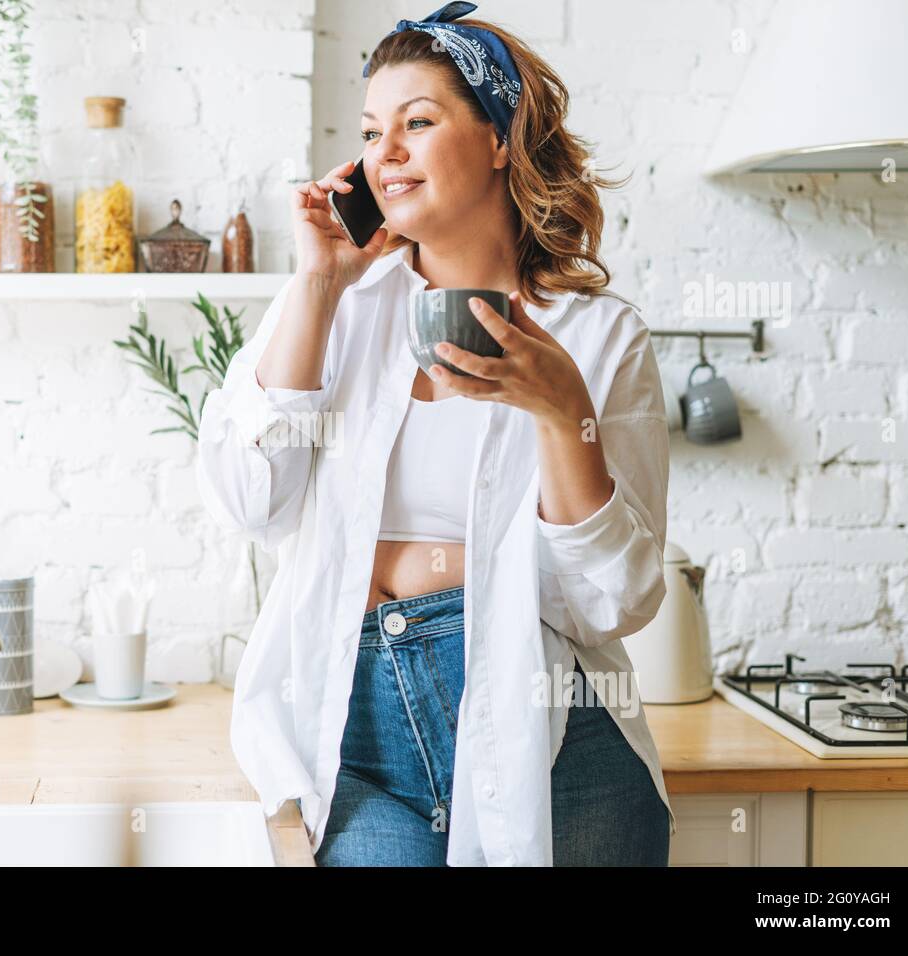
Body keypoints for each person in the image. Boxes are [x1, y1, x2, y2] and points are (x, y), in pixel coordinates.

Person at [196, 1, 675, 866]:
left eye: (419, 122)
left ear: (499, 139)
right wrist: (317, 284)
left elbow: (614, 604)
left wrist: (565, 412)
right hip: (358, 736)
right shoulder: (333, 307)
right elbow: (249, 500)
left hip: (553, 737)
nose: (386, 151)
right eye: (374, 131)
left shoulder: (596, 338)